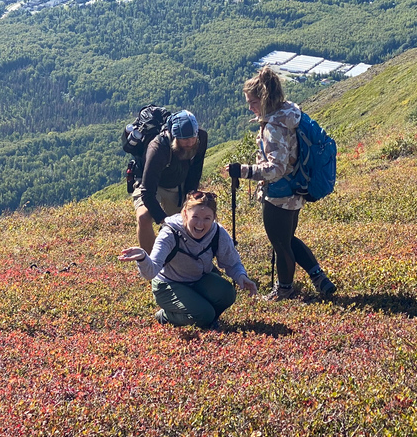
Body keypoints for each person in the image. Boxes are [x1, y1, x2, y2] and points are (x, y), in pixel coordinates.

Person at [226, 66, 336, 301]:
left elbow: (276, 168)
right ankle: (319, 278)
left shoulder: (273, 127)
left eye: (252, 101)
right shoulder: (288, 114)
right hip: (296, 187)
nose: (250, 107)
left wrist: (244, 171)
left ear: (264, 98)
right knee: (287, 239)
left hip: (279, 192)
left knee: (280, 243)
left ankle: (284, 290)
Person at [119, 190, 258, 328]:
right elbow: (151, 271)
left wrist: (241, 276)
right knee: (204, 314)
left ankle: (202, 316)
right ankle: (165, 316)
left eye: (207, 219)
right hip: (168, 284)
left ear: (214, 218)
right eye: (195, 217)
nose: (200, 224)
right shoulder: (170, 233)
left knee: (227, 294)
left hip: (198, 280)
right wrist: (143, 258)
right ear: (185, 213)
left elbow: (232, 262)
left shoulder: (218, 232)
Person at [132, 109, 208, 253]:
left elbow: (195, 172)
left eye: (193, 137)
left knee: (190, 217)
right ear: (174, 137)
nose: (190, 143)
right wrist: (164, 220)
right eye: (184, 139)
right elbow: (147, 192)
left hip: (178, 183)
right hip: (150, 184)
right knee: (143, 217)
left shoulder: (201, 138)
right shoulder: (158, 148)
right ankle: (152, 265)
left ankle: (192, 258)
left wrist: (190, 199)